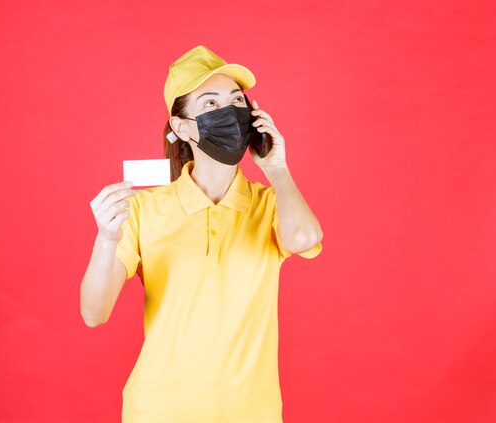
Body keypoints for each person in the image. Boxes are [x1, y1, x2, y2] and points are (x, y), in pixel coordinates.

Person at [80, 45, 324, 423]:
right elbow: (94, 313)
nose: (229, 113)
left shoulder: (271, 205)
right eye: (210, 103)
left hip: (252, 413)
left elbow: (304, 239)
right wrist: (106, 239)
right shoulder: (146, 209)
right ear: (181, 127)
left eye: (237, 100)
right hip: (158, 411)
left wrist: (277, 168)